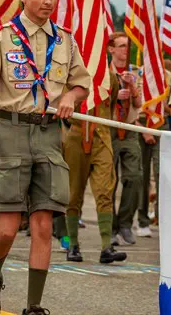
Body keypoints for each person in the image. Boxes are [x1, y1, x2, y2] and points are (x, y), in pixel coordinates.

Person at [0, 0, 90, 315]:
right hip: (10, 132)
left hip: (49, 135)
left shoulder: (65, 39)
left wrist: (72, 97)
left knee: (43, 224)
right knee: (6, 229)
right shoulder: (3, 38)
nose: (48, 1)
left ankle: (34, 306)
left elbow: (82, 82)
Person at [63, 68, 127, 264]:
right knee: (73, 193)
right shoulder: (70, 72)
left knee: (104, 190)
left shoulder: (110, 76)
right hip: (76, 134)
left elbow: (113, 101)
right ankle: (72, 244)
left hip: (102, 136)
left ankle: (106, 246)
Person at [107, 32, 143, 246]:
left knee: (135, 177)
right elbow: (98, 99)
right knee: (108, 181)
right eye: (120, 46)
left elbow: (139, 104)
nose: (124, 50)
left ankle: (126, 224)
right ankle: (110, 227)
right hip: (110, 128)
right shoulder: (104, 72)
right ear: (111, 49)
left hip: (129, 128)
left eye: (127, 47)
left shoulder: (135, 73)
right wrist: (115, 95)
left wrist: (131, 87)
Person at [136, 66, 171, 236]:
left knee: (162, 174)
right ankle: (142, 220)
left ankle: (161, 218)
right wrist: (144, 130)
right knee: (142, 176)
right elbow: (134, 105)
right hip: (141, 123)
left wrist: (160, 106)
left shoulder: (169, 76)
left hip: (161, 123)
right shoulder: (138, 73)